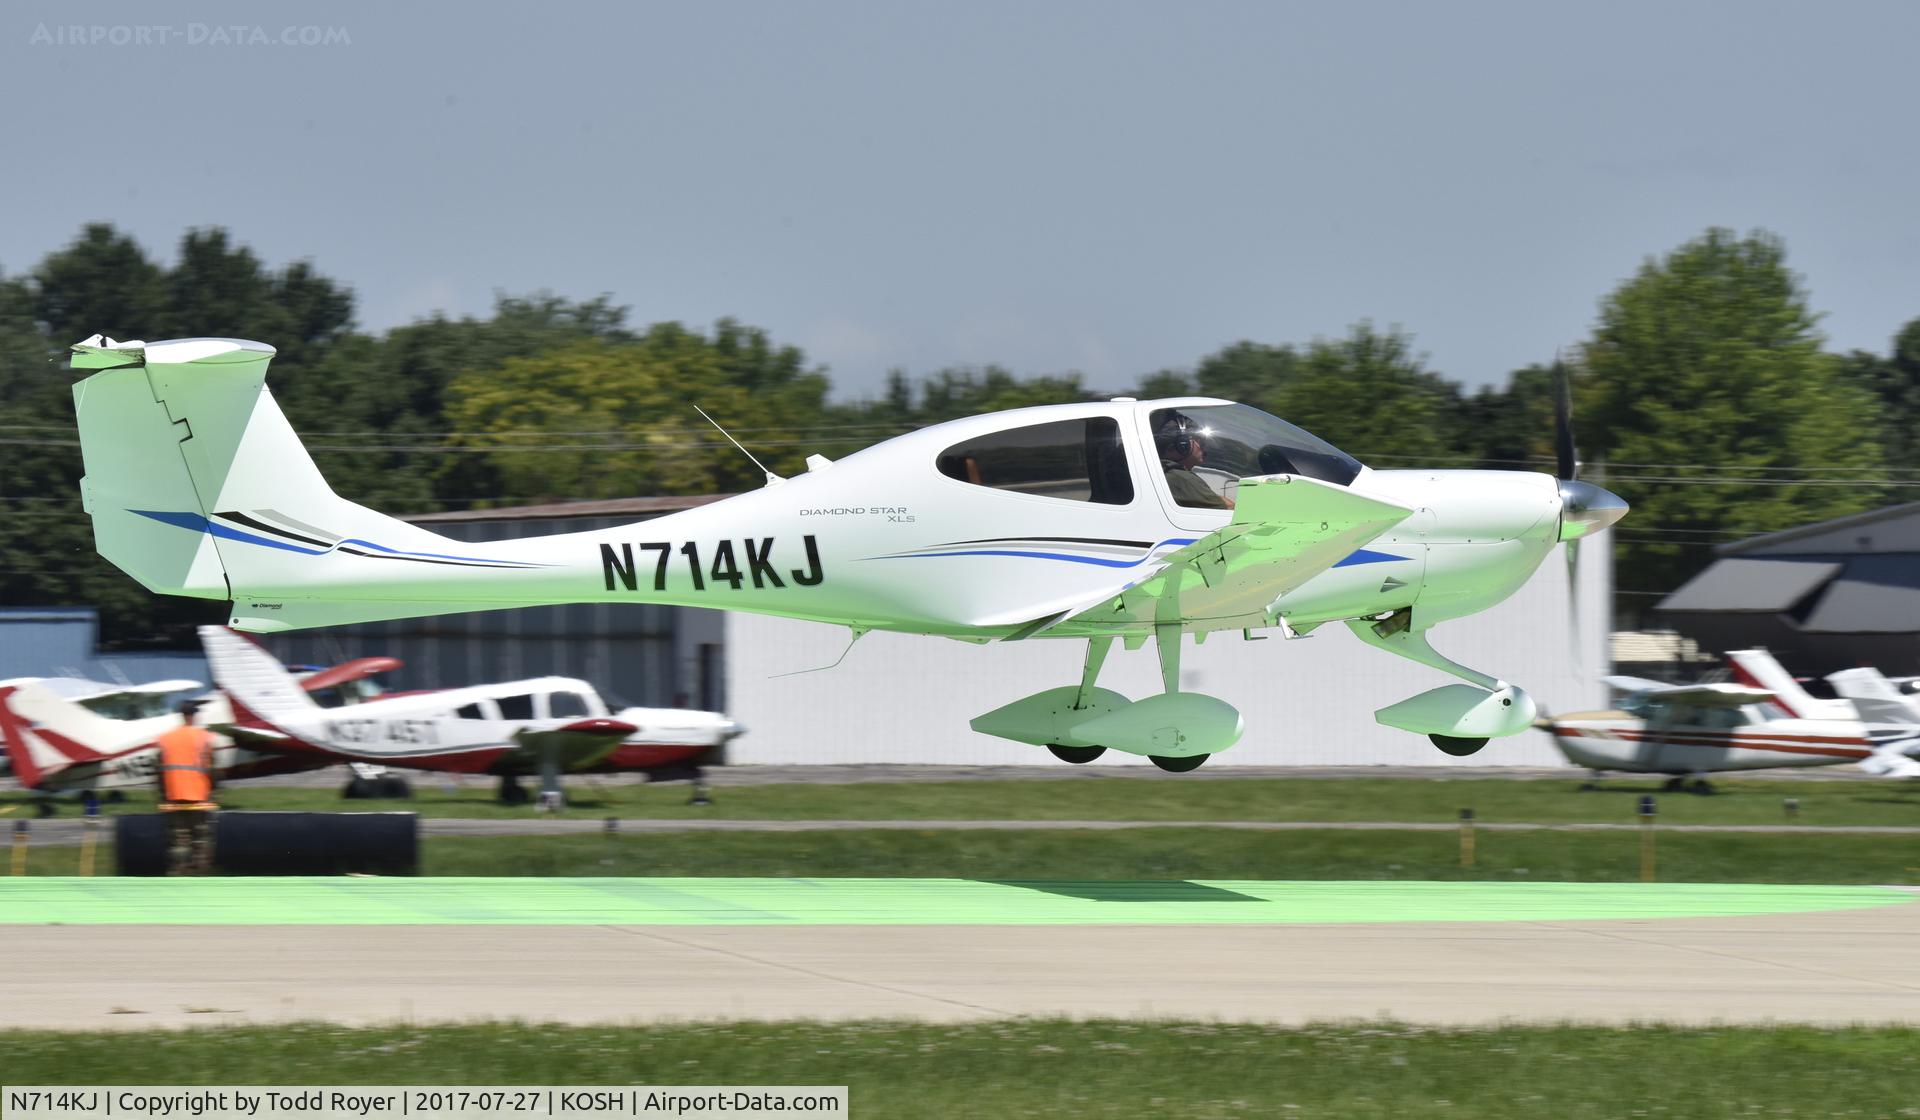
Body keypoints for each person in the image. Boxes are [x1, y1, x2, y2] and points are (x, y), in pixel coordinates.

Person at [155, 699, 217, 874]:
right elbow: (211, 770)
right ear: (194, 716)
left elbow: (159, 772)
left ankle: (178, 872)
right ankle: (200, 873)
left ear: (182, 716)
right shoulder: (204, 738)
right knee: (200, 837)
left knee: (179, 839)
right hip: (198, 797)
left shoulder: (166, 739)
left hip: (174, 796)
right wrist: (214, 793)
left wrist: (162, 797)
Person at [1154, 412, 1233, 509]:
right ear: (1182, 445)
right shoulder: (1182, 479)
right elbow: (1229, 510)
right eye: (1200, 442)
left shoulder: (1162, 471)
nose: (1204, 447)